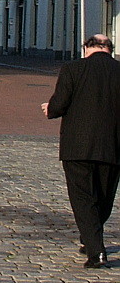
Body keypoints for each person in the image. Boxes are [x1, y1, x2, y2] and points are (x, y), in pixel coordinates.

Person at [42, 34, 120, 268]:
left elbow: (60, 103)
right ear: (110, 49)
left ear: (86, 47)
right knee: (104, 197)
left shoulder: (73, 69)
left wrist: (50, 109)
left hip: (78, 145)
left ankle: (96, 252)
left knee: (83, 198)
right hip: (113, 145)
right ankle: (90, 238)